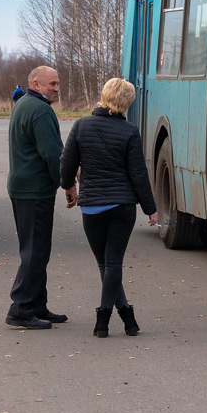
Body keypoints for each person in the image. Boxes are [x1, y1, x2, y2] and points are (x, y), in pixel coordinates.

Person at [60, 78, 158, 338]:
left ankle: (105, 321)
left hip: (92, 206)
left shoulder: (81, 126)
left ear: (103, 96)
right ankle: (125, 317)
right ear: (126, 103)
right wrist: (151, 208)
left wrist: (69, 187)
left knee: (105, 265)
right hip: (122, 206)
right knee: (112, 263)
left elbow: (66, 165)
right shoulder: (129, 132)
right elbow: (139, 174)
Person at [6, 65, 69, 330]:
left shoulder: (23, 104)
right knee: (35, 251)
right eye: (51, 84)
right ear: (36, 84)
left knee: (36, 249)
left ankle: (37, 305)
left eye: (57, 84)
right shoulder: (40, 111)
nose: (56, 88)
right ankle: (21, 308)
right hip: (34, 191)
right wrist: (69, 183)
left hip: (23, 188)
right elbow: (54, 154)